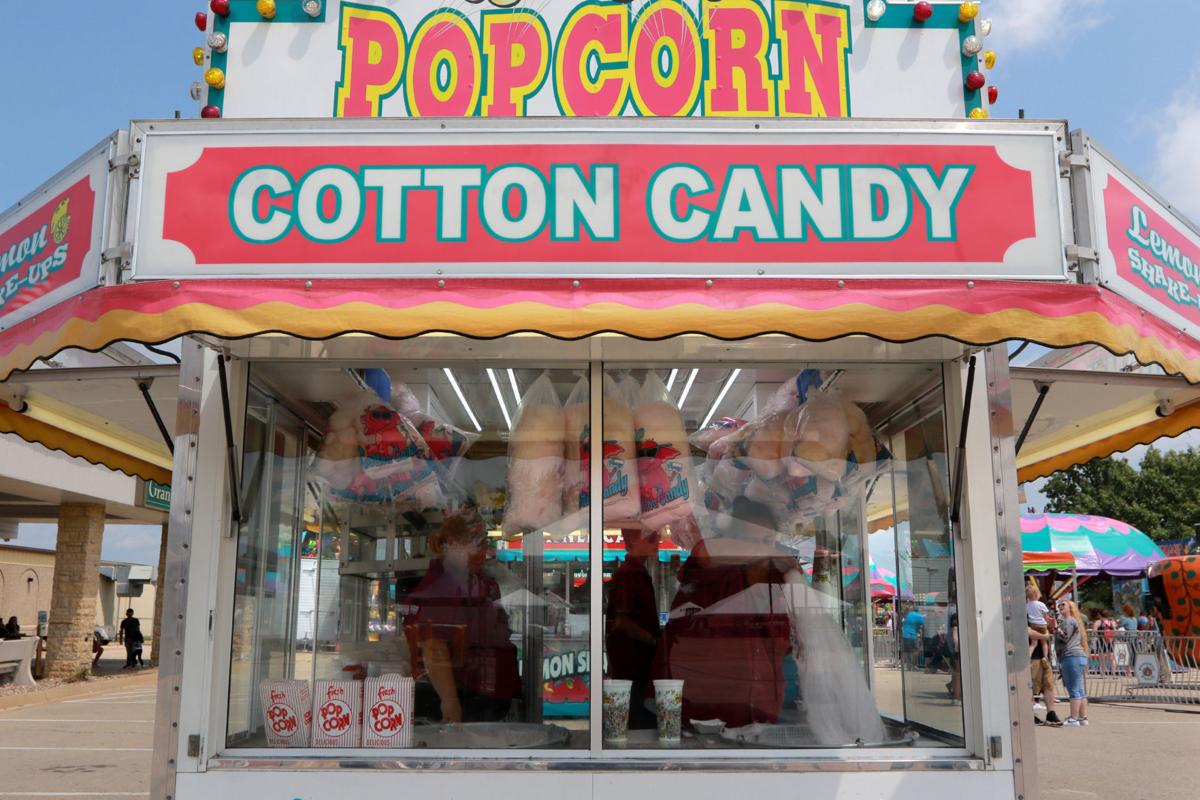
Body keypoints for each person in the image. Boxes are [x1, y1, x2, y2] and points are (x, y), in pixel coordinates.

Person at [654, 497, 795, 728]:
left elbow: (781, 643)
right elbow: (703, 552)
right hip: (710, 715)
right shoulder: (709, 576)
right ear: (731, 542)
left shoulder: (777, 584)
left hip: (762, 712)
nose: (762, 550)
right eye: (751, 542)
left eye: (768, 541)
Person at [403, 512, 520, 723]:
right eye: (476, 542)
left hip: (486, 702)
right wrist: (450, 701)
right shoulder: (441, 586)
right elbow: (434, 647)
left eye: (485, 542)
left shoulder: (478, 581)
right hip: (465, 702)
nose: (482, 550)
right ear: (451, 543)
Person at [606, 528, 661, 729]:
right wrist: (653, 641)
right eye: (651, 536)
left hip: (640, 668)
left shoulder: (638, 572)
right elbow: (622, 622)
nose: (657, 540)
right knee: (637, 728)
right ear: (632, 539)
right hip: (631, 669)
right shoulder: (628, 574)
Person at [1055, 599, 1090, 726]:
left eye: (1063, 604)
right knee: (1079, 689)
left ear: (1070, 608)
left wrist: (1056, 628)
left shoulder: (1069, 621)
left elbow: (1065, 637)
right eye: (1060, 605)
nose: (1060, 606)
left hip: (1071, 657)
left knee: (1074, 689)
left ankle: (1073, 719)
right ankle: (1082, 718)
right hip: (1077, 657)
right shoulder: (1073, 621)